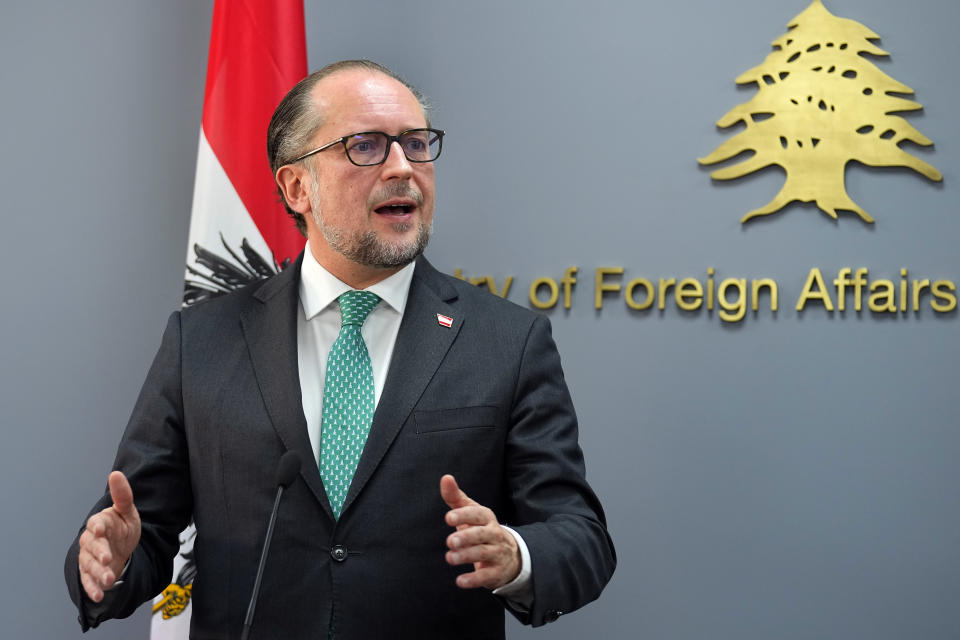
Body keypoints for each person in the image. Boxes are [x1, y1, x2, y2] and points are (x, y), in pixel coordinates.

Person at [66, 59, 615, 639]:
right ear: (297, 187)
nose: (403, 167)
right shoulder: (201, 341)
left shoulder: (507, 342)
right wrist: (115, 559)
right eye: (367, 147)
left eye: (417, 143)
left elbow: (579, 534)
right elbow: (139, 528)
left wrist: (516, 553)